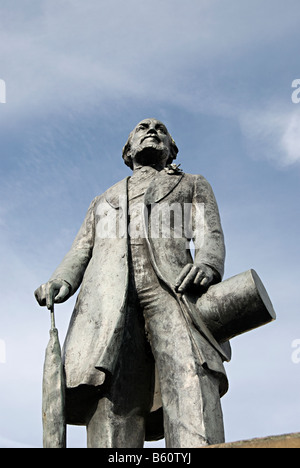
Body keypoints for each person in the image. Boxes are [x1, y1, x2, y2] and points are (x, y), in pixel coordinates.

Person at [35, 118, 230, 448]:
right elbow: (82, 249)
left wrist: (207, 265)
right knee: (112, 395)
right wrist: (60, 281)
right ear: (128, 151)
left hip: (174, 289)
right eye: (143, 128)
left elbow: (208, 232)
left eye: (160, 128)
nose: (152, 129)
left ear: (171, 149)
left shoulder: (190, 183)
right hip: (110, 299)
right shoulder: (104, 200)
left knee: (190, 375)